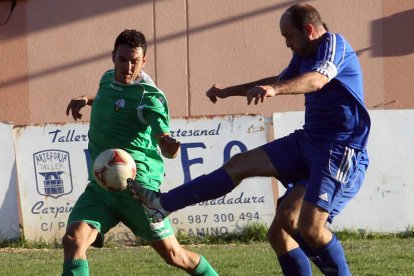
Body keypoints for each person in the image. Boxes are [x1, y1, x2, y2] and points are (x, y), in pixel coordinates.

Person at [128, 3, 370, 276]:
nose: (287, 44)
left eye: (288, 36)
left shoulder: (334, 45)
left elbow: (317, 81)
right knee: (262, 201)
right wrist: (229, 91)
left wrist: (275, 90)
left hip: (339, 151)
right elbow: (278, 79)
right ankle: (162, 205)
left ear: (309, 30)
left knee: (309, 227)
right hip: (309, 141)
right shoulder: (304, 54)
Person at [62, 29, 218, 276]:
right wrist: (87, 99)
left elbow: (165, 145)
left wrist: (170, 146)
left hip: (137, 190)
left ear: (143, 61)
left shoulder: (150, 98)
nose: (128, 67)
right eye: (122, 60)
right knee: (73, 241)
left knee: (174, 256)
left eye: (134, 61)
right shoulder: (106, 79)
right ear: (113, 57)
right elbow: (109, 98)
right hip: (102, 185)